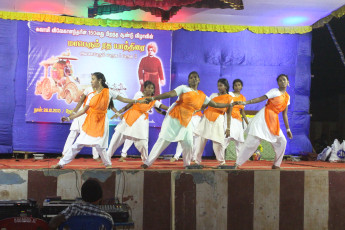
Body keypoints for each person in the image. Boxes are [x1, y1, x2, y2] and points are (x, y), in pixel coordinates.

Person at [141, 71, 237, 169]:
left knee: (188, 143)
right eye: (191, 77)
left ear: (199, 80)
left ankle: (187, 164)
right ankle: (147, 163)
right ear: (188, 80)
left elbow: (215, 104)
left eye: (195, 77)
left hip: (186, 121)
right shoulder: (183, 88)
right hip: (174, 118)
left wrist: (229, 105)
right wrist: (154, 98)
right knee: (163, 140)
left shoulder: (201, 95)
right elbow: (170, 94)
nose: (193, 79)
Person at [51, 72, 145, 169]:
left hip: (102, 122)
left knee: (100, 146)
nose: (91, 81)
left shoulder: (108, 92)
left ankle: (108, 164)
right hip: (90, 122)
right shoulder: (91, 95)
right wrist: (69, 118)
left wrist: (137, 101)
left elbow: (124, 100)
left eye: (93, 79)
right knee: (77, 144)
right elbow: (84, 110)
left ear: (99, 80)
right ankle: (61, 164)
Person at [234, 74, 293, 169]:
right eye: (280, 80)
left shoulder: (287, 97)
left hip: (273, 120)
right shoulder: (274, 91)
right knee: (252, 142)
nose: (282, 81)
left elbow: (284, 114)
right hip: (263, 117)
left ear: (288, 82)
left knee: (282, 141)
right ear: (277, 83)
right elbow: (259, 98)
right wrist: (245, 102)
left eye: (284, 80)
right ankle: (237, 164)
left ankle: (276, 165)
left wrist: (288, 129)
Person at [106, 80, 169, 163]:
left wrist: (170, 109)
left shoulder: (154, 100)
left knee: (143, 144)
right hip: (129, 119)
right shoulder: (138, 94)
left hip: (141, 124)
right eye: (148, 87)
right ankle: (106, 159)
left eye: (152, 88)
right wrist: (119, 112)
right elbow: (130, 104)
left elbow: (160, 106)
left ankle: (146, 161)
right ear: (144, 89)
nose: (150, 89)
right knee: (116, 138)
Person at [194, 78, 233, 165]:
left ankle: (222, 162)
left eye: (221, 85)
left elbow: (229, 114)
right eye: (218, 85)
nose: (219, 87)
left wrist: (228, 128)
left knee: (217, 141)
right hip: (206, 118)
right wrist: (196, 109)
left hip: (218, 119)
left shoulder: (230, 98)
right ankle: (197, 161)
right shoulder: (213, 95)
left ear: (226, 86)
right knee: (201, 140)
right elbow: (204, 106)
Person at [48, 179, 114, 230]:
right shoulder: (106, 218)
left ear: (82, 196)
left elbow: (52, 224)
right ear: (100, 198)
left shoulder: (74, 208)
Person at [60, 86, 100, 161]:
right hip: (80, 113)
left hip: (90, 115)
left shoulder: (103, 91)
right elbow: (80, 101)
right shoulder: (88, 89)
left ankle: (96, 156)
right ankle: (64, 154)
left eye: (93, 79)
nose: (92, 81)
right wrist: (72, 114)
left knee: (93, 135)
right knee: (72, 134)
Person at [224, 79, 249, 158]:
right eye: (235, 85)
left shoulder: (243, 98)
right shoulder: (229, 94)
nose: (237, 86)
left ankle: (239, 160)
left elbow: (242, 112)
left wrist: (248, 123)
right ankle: (220, 159)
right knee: (226, 138)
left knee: (239, 140)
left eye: (239, 85)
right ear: (233, 86)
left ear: (241, 86)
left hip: (238, 120)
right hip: (228, 118)